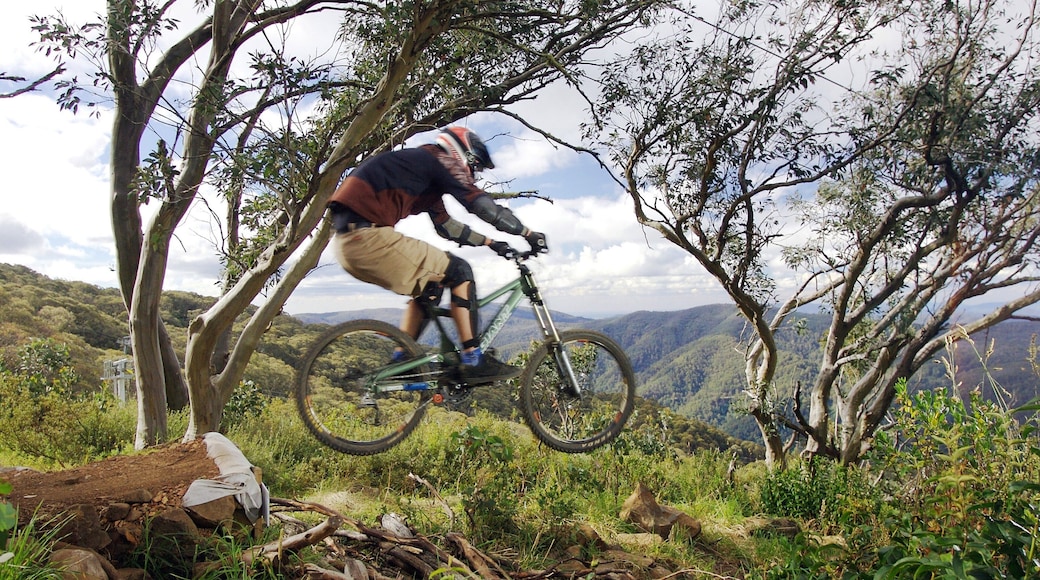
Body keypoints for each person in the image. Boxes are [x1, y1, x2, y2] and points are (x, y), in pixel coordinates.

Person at [327, 126, 548, 384]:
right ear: (461, 151)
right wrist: (527, 232)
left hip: (348, 243)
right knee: (459, 272)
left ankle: (402, 361)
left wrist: (491, 242)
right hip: (368, 238)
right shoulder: (439, 159)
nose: (473, 174)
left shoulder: (423, 168)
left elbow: (448, 227)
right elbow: (480, 204)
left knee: (430, 285)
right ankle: (472, 359)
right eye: (474, 165)